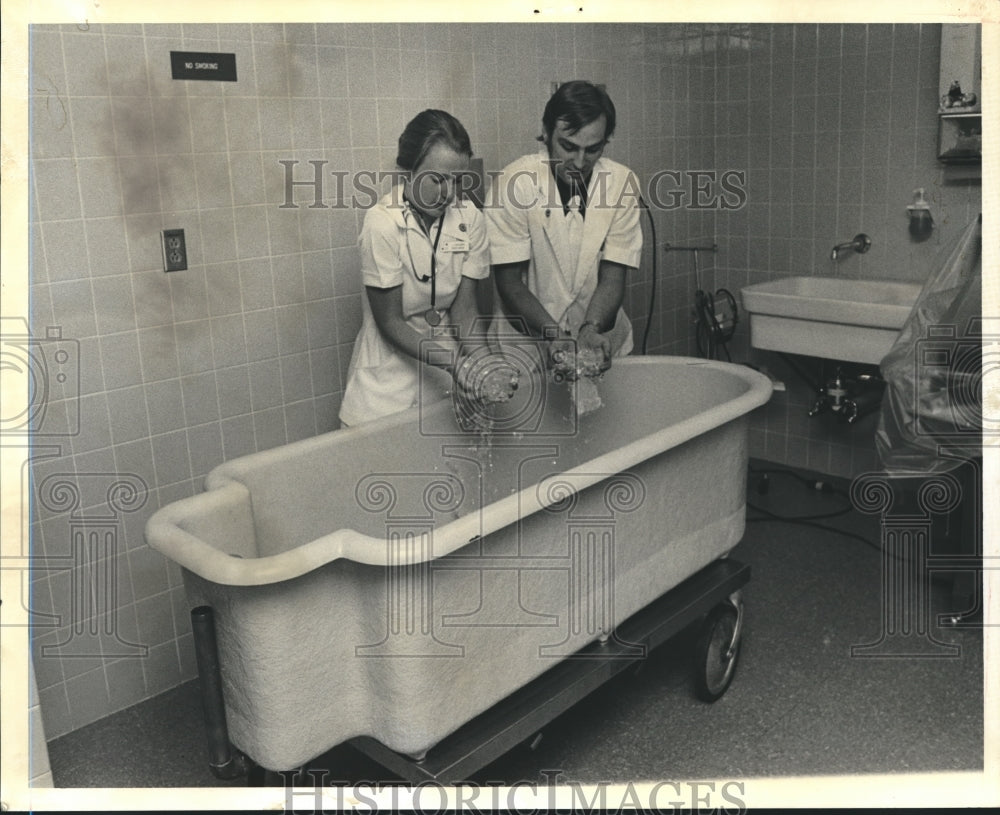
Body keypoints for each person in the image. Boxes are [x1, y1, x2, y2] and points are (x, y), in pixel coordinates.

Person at [339, 110, 513, 427]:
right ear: (407, 170)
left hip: (444, 380)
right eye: (438, 179)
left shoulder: (469, 217)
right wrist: (454, 363)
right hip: (386, 389)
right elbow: (390, 322)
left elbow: (465, 311)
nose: (448, 193)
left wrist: (485, 363)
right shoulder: (382, 222)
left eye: (457, 181)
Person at [485, 80, 642, 378]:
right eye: (568, 147)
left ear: (606, 141)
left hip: (599, 341)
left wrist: (591, 328)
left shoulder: (622, 184)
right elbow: (510, 284)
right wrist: (553, 335)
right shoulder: (514, 183)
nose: (579, 162)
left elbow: (613, 276)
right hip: (526, 346)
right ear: (546, 133)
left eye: (593, 149)